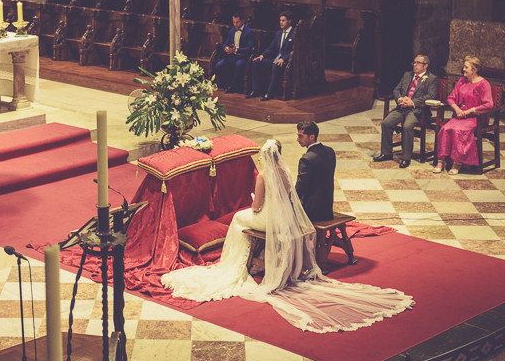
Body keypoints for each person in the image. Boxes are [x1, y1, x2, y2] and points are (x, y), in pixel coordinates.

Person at [161, 140, 413, 332]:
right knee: (241, 218)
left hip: (266, 219)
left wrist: (253, 204)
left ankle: (235, 265)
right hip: (284, 219)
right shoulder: (285, 172)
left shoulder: (263, 176)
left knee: (239, 219)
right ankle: (252, 257)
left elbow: (258, 207)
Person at [373, 54, 438, 168]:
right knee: (386, 123)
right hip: (402, 108)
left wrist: (412, 102)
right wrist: (400, 99)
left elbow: (431, 95)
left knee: (407, 126)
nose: (415, 65)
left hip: (417, 110)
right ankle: (387, 153)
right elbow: (396, 90)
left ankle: (406, 157)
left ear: (425, 66)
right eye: (414, 62)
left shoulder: (431, 78)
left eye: (418, 63)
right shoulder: (407, 75)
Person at [434, 56, 494, 174]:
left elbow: (489, 104)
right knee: (445, 128)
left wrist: (470, 110)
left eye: (466, 67)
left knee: (459, 130)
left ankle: (458, 162)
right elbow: (451, 98)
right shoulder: (462, 81)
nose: (464, 69)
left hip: (475, 118)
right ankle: (442, 160)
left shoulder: (483, 84)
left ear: (474, 70)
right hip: (459, 116)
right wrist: (456, 109)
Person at [246, 11, 295, 101]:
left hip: (287, 62)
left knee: (276, 65)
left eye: (283, 20)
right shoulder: (278, 33)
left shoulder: (295, 33)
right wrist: (262, 55)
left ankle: (270, 93)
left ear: (289, 21)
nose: (281, 22)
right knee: (256, 62)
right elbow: (271, 48)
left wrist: (284, 59)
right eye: (280, 20)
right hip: (275, 59)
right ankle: (255, 90)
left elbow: (294, 51)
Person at [294, 120, 336, 222]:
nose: (297, 139)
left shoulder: (306, 159)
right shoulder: (330, 151)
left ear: (312, 137)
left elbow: (300, 188)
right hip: (327, 207)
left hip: (312, 210)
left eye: (301, 136)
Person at [214, 12, 256, 93]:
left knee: (239, 64)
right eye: (234, 22)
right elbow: (226, 43)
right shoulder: (232, 31)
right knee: (219, 65)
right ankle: (225, 84)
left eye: (237, 22)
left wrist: (236, 50)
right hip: (231, 56)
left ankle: (233, 87)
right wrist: (226, 48)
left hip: (243, 56)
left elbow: (249, 48)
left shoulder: (249, 32)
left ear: (243, 21)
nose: (235, 24)